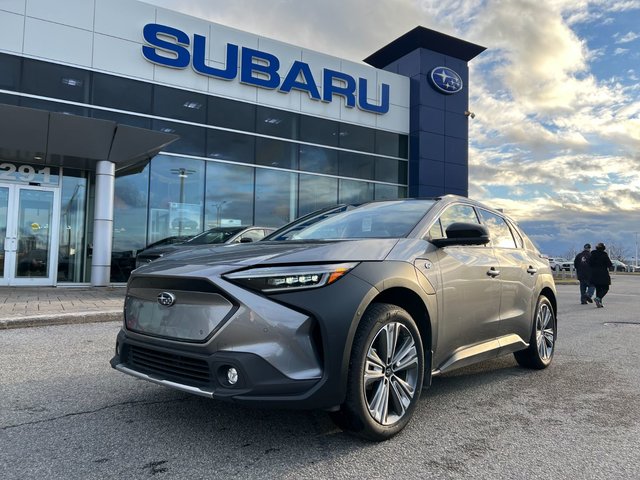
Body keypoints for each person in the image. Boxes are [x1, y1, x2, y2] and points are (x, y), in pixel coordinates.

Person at [588, 242, 613, 308]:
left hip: (594, 274)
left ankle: (599, 303)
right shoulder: (604, 254)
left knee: (598, 288)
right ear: (603, 248)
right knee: (606, 288)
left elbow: (589, 263)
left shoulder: (593, 254)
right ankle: (598, 299)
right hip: (603, 273)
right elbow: (609, 264)